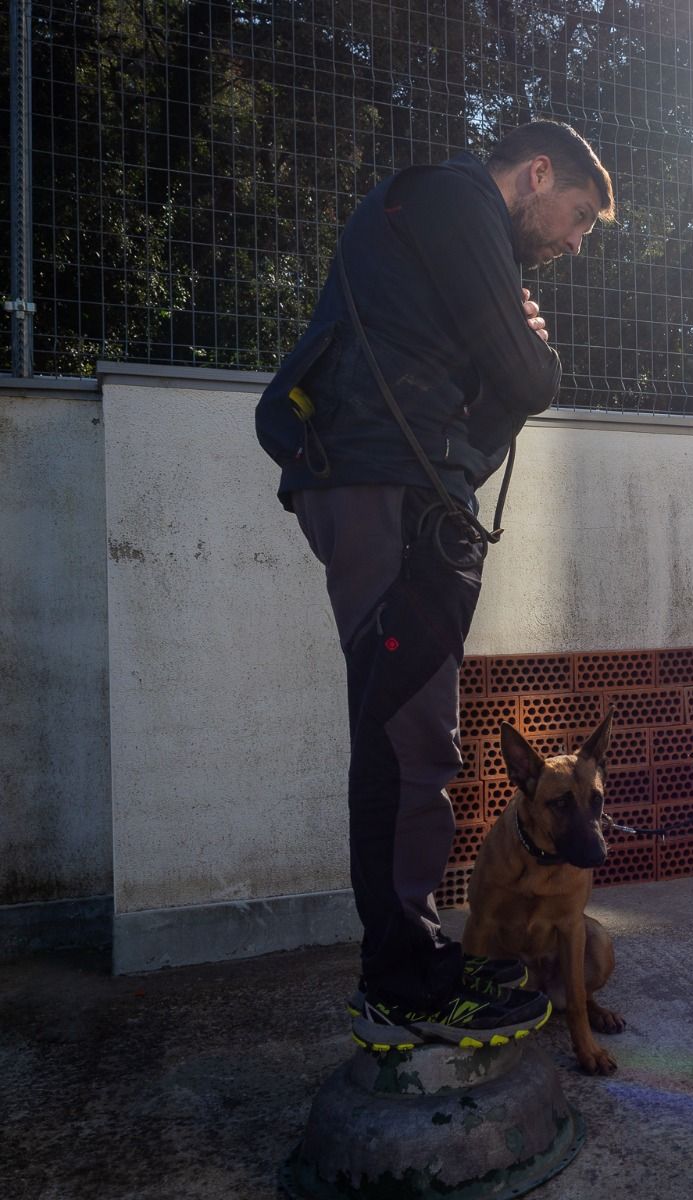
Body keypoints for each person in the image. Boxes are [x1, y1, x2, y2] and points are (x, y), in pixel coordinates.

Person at [255, 119, 615, 1049]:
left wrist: (515, 349)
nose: (574, 243)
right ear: (537, 173)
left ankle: (406, 960)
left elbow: (490, 415)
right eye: (577, 216)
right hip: (387, 493)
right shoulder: (459, 201)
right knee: (406, 733)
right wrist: (528, 345)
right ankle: (401, 980)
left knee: (410, 724)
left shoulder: (447, 239)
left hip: (399, 493)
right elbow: (529, 378)